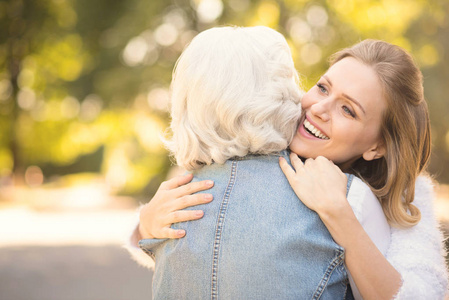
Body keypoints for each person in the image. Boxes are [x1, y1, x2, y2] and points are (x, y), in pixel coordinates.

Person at [126, 27, 448, 299]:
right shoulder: (224, 159)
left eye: (348, 110)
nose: (320, 108)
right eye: (323, 87)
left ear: (377, 147)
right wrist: (146, 223)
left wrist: (340, 215)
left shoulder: (383, 209)